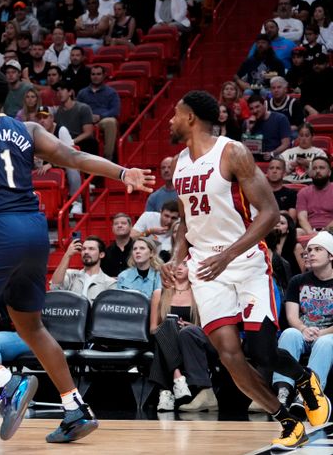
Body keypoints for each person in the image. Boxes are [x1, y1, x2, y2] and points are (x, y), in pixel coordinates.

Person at [0, 68, 154, 442]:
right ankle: (74, 408)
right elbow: (73, 157)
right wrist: (122, 171)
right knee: (31, 326)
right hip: (35, 231)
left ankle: (5, 384)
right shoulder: (27, 130)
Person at [164, 90, 330, 449]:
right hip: (206, 267)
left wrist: (228, 255)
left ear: (191, 117)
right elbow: (184, 222)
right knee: (229, 356)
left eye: (175, 114)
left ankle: (304, 381)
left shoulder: (231, 152)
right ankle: (289, 419)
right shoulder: (179, 163)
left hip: (246, 260)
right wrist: (178, 257)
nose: (170, 121)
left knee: (262, 351)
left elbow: (270, 213)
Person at [272, 232, 333, 407]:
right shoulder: (297, 280)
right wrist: (303, 329)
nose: (311, 253)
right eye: (309, 250)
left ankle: (308, 394)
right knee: (290, 333)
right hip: (304, 332)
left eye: (318, 249)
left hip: (328, 334)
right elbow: (292, 316)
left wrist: (321, 332)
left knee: (326, 343)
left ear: (331, 255)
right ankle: (283, 390)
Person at [149, 262, 218, 413]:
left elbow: (205, 329)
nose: (179, 268)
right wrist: (170, 327)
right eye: (175, 264)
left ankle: (165, 391)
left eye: (184, 264)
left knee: (180, 332)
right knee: (168, 325)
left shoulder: (198, 293)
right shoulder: (159, 294)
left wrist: (189, 326)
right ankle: (178, 377)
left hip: (190, 342)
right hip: (165, 338)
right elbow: (153, 328)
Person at [50, 236, 116, 302]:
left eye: (91, 249)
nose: (86, 252)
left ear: (101, 255)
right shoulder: (71, 275)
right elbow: (55, 287)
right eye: (84, 249)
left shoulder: (110, 283)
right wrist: (67, 255)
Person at [296, 156, 333, 234]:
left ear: (329, 172)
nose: (318, 171)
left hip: (331, 230)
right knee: (297, 232)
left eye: (321, 168)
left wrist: (324, 232)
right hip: (310, 230)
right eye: (314, 168)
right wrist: (310, 233)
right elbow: (302, 217)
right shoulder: (303, 192)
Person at [101, 213, 134, 277]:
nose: (119, 225)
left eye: (123, 223)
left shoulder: (138, 249)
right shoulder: (106, 252)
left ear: (130, 227)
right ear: (112, 228)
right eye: (116, 224)